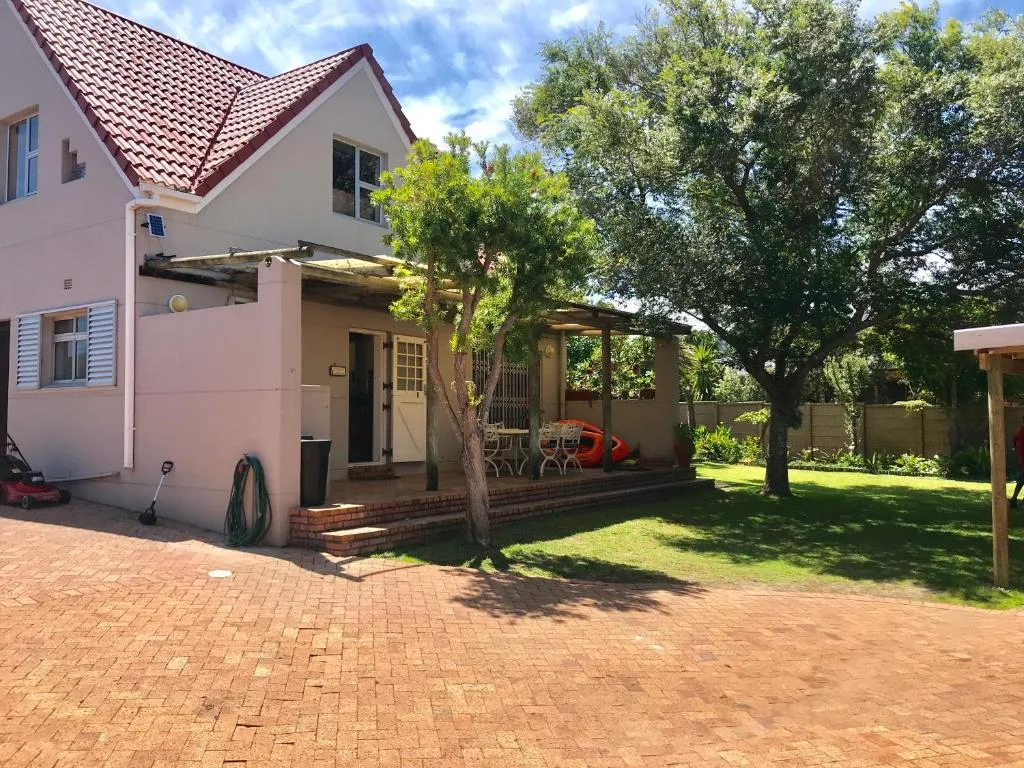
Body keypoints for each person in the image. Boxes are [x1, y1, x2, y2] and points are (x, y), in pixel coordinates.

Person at [1012, 417, 1024, 508]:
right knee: (1021, 480)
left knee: (1021, 480)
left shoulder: (1019, 434)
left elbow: (1016, 447)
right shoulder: (1021, 434)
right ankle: (1015, 500)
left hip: (1022, 460)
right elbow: (1019, 447)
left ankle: (1014, 499)